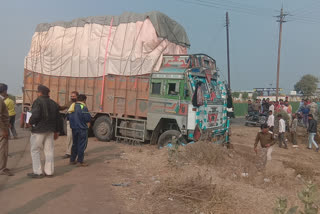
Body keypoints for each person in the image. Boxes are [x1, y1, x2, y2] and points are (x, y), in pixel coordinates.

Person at [27, 85, 62, 178]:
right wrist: (57, 131)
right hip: (50, 131)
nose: (37, 93)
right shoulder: (53, 103)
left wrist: (30, 122)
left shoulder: (37, 102)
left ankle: (37, 172)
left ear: (40, 93)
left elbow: (35, 115)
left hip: (38, 130)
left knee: (35, 150)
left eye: (37, 92)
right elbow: (58, 118)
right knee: (49, 151)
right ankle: (49, 172)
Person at [68, 94, 91, 167]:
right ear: (84, 100)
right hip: (82, 128)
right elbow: (87, 118)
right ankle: (80, 161)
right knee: (81, 145)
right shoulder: (83, 106)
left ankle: (72, 160)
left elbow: (68, 117)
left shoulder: (73, 105)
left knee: (74, 144)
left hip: (74, 128)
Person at [60, 91, 79, 159]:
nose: (72, 97)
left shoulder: (80, 103)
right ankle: (68, 153)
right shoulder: (69, 103)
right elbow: (62, 107)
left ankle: (77, 152)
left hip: (78, 123)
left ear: (77, 96)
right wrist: (57, 106)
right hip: (70, 122)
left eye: (73, 96)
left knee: (77, 138)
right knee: (69, 137)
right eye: (71, 96)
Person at [0, 83, 13, 176]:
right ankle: (2, 168)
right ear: (4, 91)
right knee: (3, 149)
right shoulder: (0, 100)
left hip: (3, 126)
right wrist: (3, 130)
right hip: (1, 128)